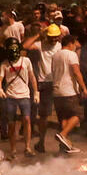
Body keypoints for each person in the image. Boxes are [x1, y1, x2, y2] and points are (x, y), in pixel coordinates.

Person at [0, 40, 38, 159]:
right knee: (11, 124)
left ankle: (27, 147)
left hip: (24, 95)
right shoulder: (5, 64)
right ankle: (13, 149)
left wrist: (36, 92)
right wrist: (0, 89)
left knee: (27, 120)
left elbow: (32, 77)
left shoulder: (26, 61)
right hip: (10, 97)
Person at [25, 23, 61, 153]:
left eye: (56, 37)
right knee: (39, 114)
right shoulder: (41, 45)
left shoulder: (60, 46)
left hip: (54, 82)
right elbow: (25, 46)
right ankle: (39, 141)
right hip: (41, 83)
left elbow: (77, 45)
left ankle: (44, 141)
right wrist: (38, 35)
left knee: (50, 115)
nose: (53, 40)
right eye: (51, 37)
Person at [50, 35, 87, 154]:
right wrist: (84, 88)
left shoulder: (56, 55)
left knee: (64, 118)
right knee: (79, 114)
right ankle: (63, 134)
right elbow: (76, 72)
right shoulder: (71, 55)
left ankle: (65, 145)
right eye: (75, 43)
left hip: (57, 92)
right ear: (71, 43)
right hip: (69, 91)